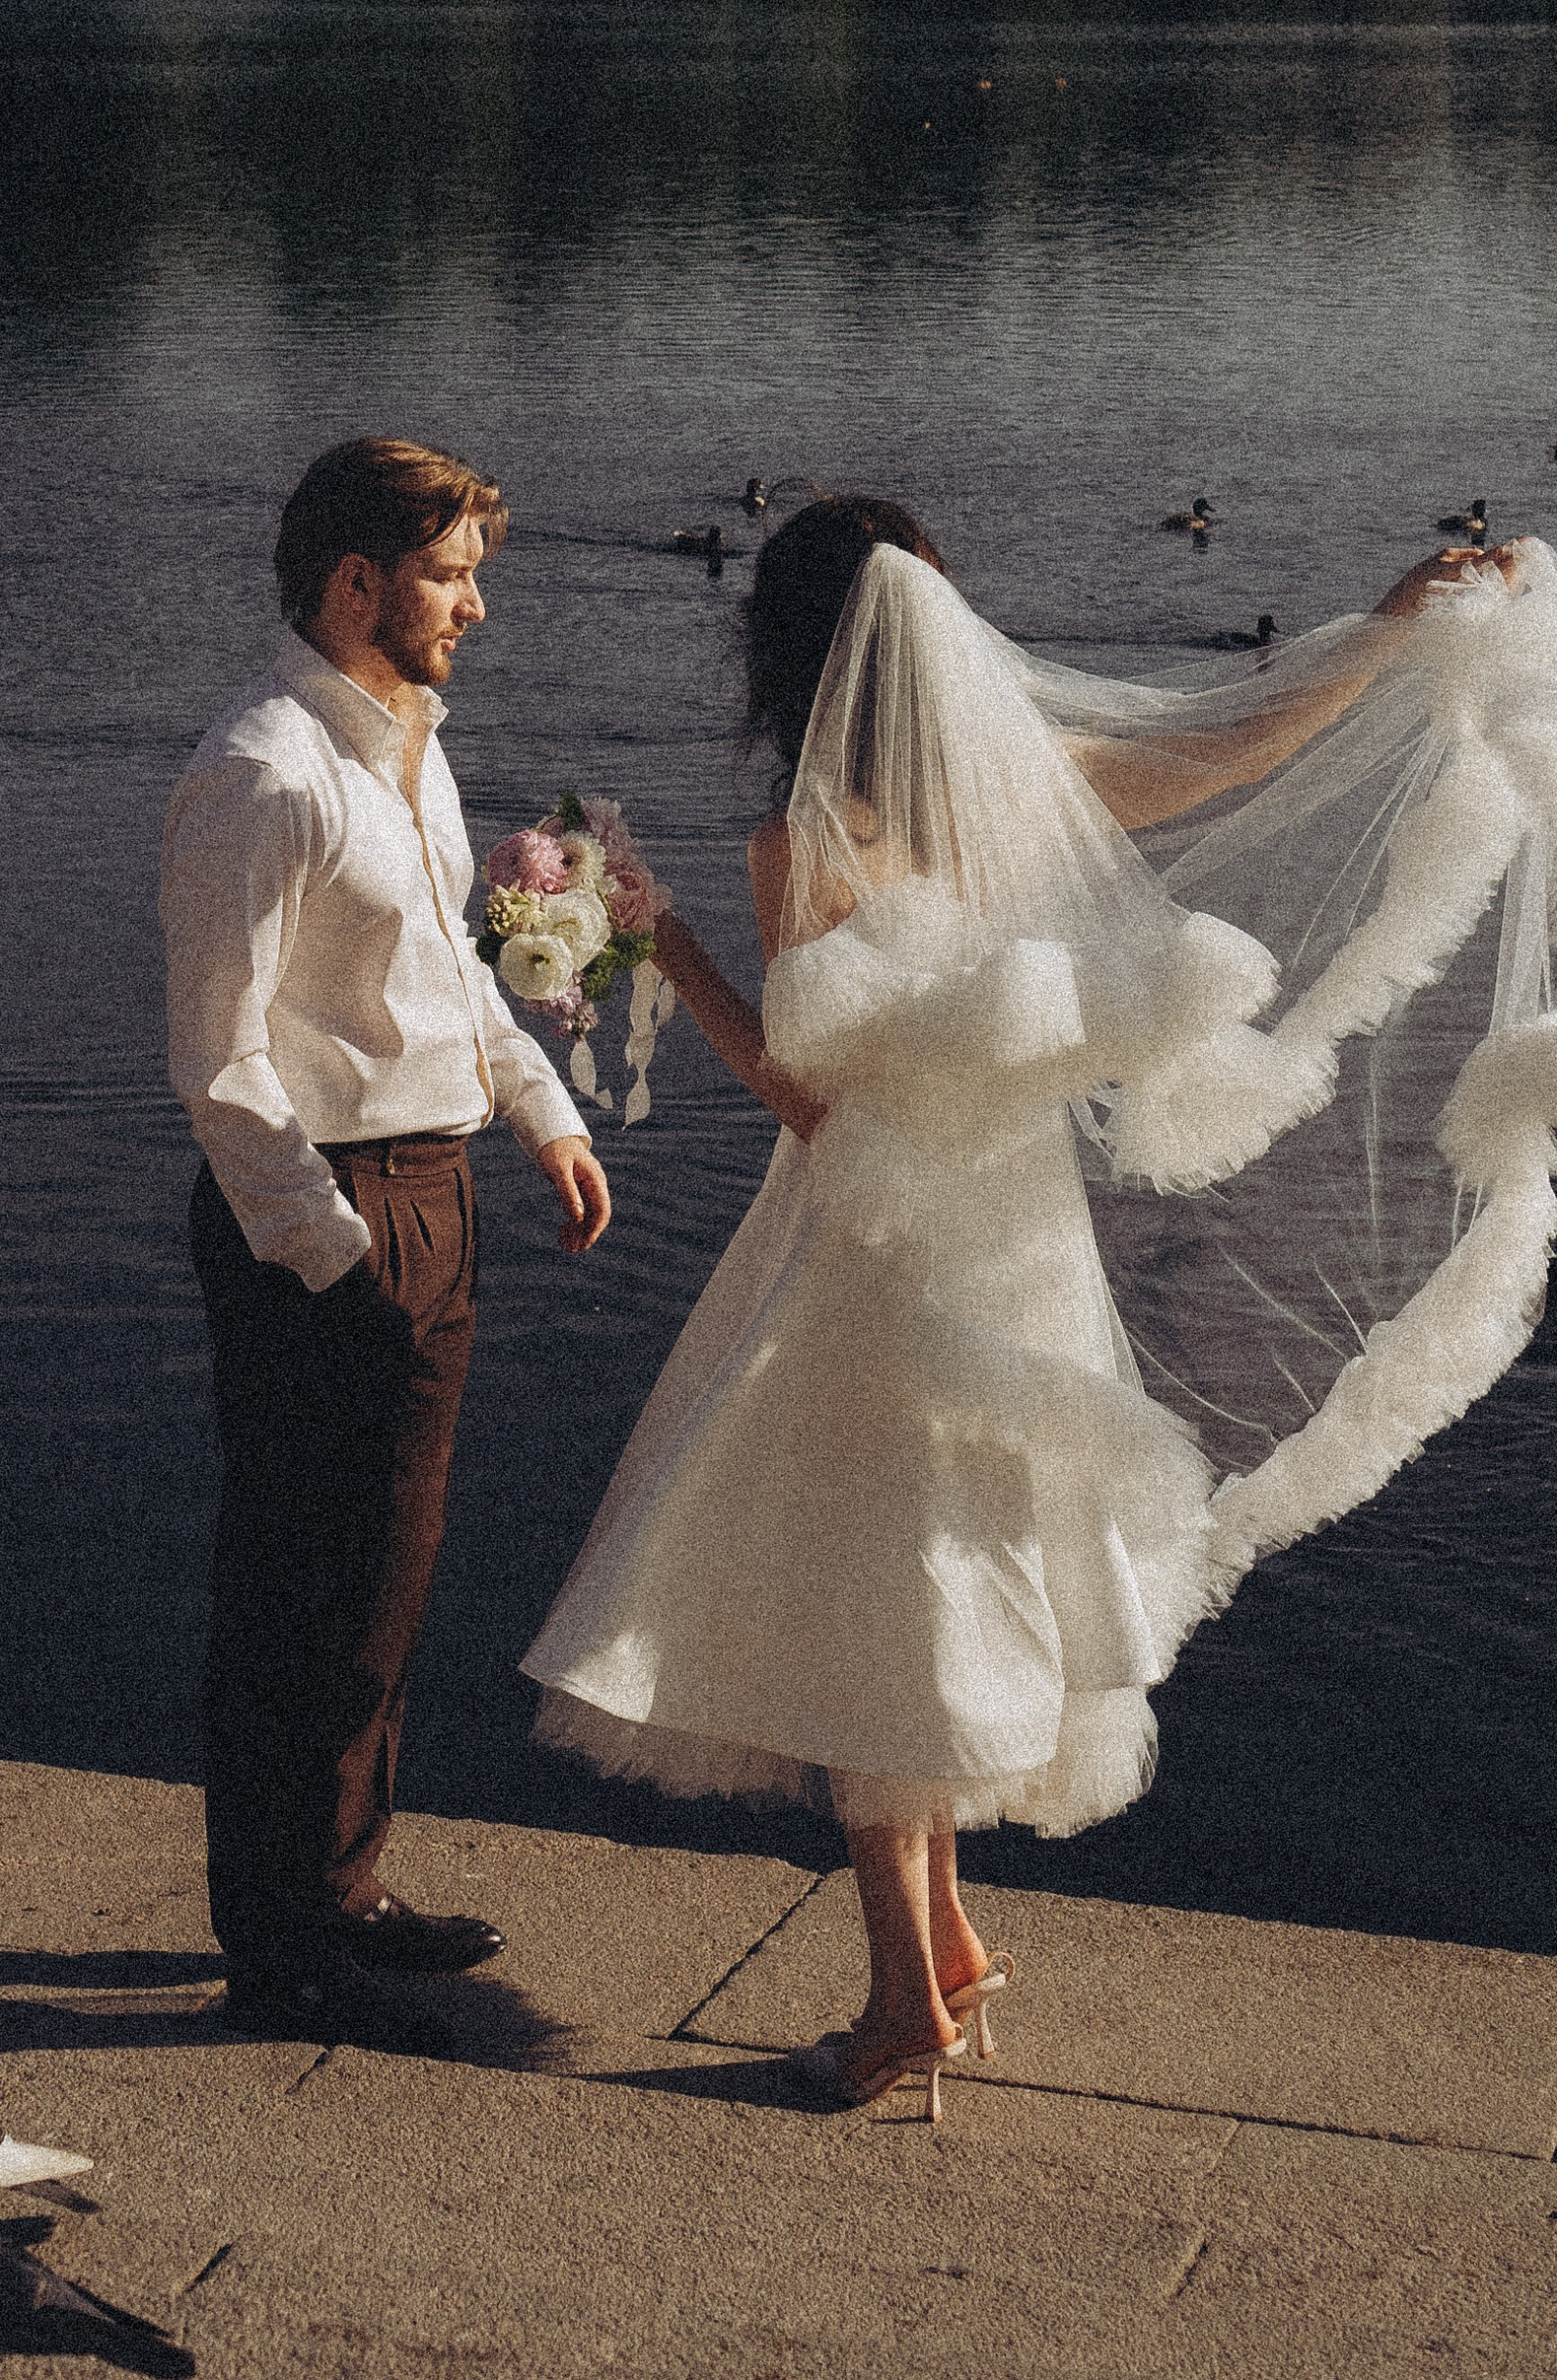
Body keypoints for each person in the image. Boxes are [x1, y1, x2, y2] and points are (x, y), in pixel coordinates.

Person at [526, 493, 1557, 2118]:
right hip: (1020, 1247)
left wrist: (661, 945)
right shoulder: (1025, 796)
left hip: (878, 1260)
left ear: (784, 657)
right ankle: (939, 1951)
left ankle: (894, 2011)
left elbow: (812, 1106)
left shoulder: (805, 845)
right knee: (961, 1567)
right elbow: (1236, 748)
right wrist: (1381, 627)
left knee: (872, 1604)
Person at [161, 437, 649, 2045]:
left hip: (430, 1188)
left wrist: (544, 1115)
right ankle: (277, 1943)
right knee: (297, 1579)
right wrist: (330, 1254)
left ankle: (344, 1887)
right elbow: (219, 1065)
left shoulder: (411, 755)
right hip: (324, 1206)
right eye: (450, 573)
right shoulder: (264, 774)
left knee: (386, 1574)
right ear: (354, 583)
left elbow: (444, 975)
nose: (478, 606)